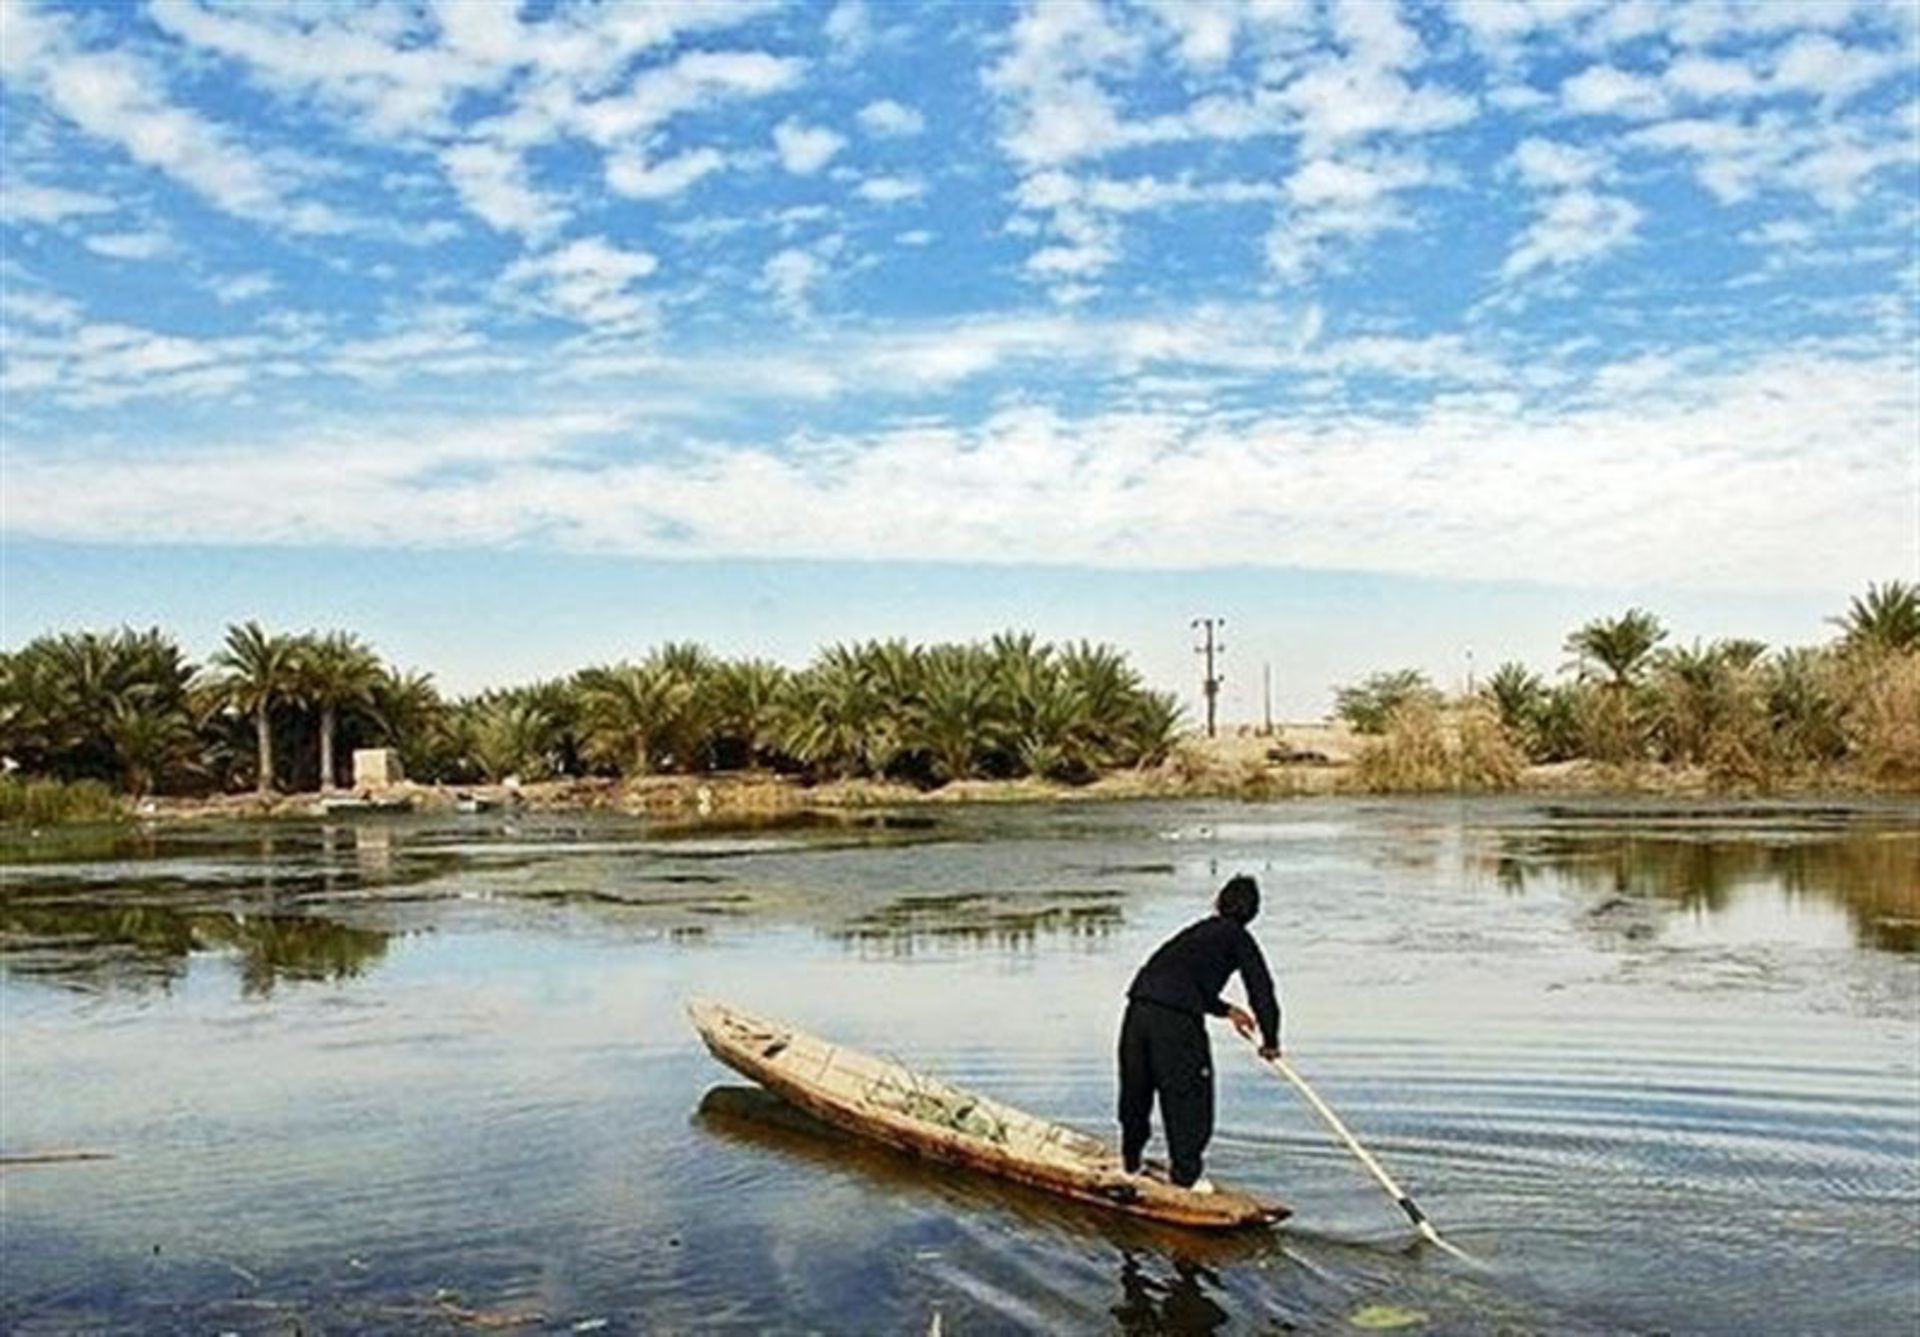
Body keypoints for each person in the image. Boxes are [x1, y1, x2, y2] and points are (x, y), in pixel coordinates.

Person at [1118, 874, 1280, 1191]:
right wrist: (1271, 1041)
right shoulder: (1239, 938)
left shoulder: (1196, 933)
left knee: (1137, 1089)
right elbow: (1262, 990)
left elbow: (1180, 981)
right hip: (1175, 1023)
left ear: (1218, 902)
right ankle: (1186, 1179)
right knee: (1189, 1097)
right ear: (1253, 913)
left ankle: (1130, 1162)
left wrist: (1226, 1010)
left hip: (1138, 1010)